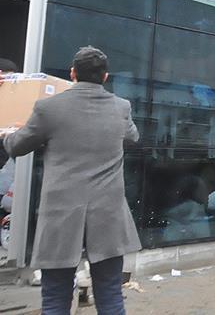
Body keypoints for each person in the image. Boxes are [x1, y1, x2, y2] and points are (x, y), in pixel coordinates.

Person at [0, 46, 141, 315]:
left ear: (73, 73)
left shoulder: (48, 108)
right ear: (105, 76)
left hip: (60, 216)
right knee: (111, 294)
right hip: (108, 215)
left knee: (55, 297)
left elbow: (17, 146)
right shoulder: (121, 107)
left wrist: (9, 132)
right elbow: (132, 137)